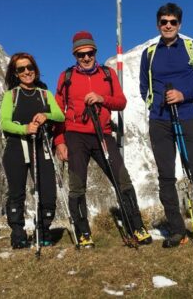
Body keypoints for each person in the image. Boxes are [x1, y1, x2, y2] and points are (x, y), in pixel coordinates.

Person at [53, 31, 152, 248]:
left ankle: (136, 226)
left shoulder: (107, 74)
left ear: (95, 52)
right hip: (75, 135)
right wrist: (59, 141)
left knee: (122, 179)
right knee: (77, 185)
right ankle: (83, 233)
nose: (86, 58)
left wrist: (101, 99)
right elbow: (58, 111)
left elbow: (121, 102)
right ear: (75, 55)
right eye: (81, 55)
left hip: (103, 134)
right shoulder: (66, 77)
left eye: (90, 53)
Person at [139, 3, 193, 249]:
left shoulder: (191, 47)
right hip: (159, 120)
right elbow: (144, 86)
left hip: (186, 115)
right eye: (164, 22)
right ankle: (177, 231)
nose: (168, 25)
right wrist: (155, 103)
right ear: (158, 25)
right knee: (166, 176)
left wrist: (182, 94)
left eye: (172, 22)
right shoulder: (149, 54)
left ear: (179, 24)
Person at [0, 53, 64, 249]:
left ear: (35, 69)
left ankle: (43, 231)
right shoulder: (11, 96)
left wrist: (46, 115)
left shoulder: (45, 94)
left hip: (41, 147)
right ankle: (18, 234)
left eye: (29, 67)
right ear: (16, 74)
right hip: (16, 148)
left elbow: (60, 116)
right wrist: (25, 128)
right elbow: (4, 123)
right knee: (16, 193)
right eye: (21, 69)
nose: (26, 72)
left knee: (47, 191)